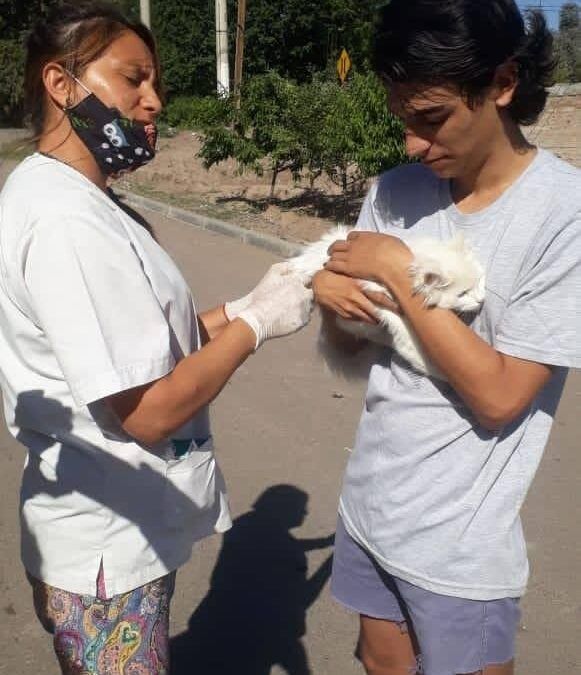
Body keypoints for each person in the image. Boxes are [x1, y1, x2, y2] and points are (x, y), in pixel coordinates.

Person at [0, 2, 313, 672]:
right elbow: (147, 410)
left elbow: (142, 341)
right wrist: (256, 326)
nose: (154, 101)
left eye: (155, 82)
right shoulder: (66, 220)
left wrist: (243, 305)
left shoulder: (74, 198)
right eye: (133, 78)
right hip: (107, 553)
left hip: (108, 532)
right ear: (61, 84)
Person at [313, 1, 580, 674]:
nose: (411, 144)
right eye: (402, 120)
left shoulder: (563, 214)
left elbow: (499, 397)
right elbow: (352, 346)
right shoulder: (395, 193)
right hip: (370, 504)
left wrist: (395, 269)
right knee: (381, 663)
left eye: (430, 119)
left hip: (459, 544)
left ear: (502, 83)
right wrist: (332, 302)